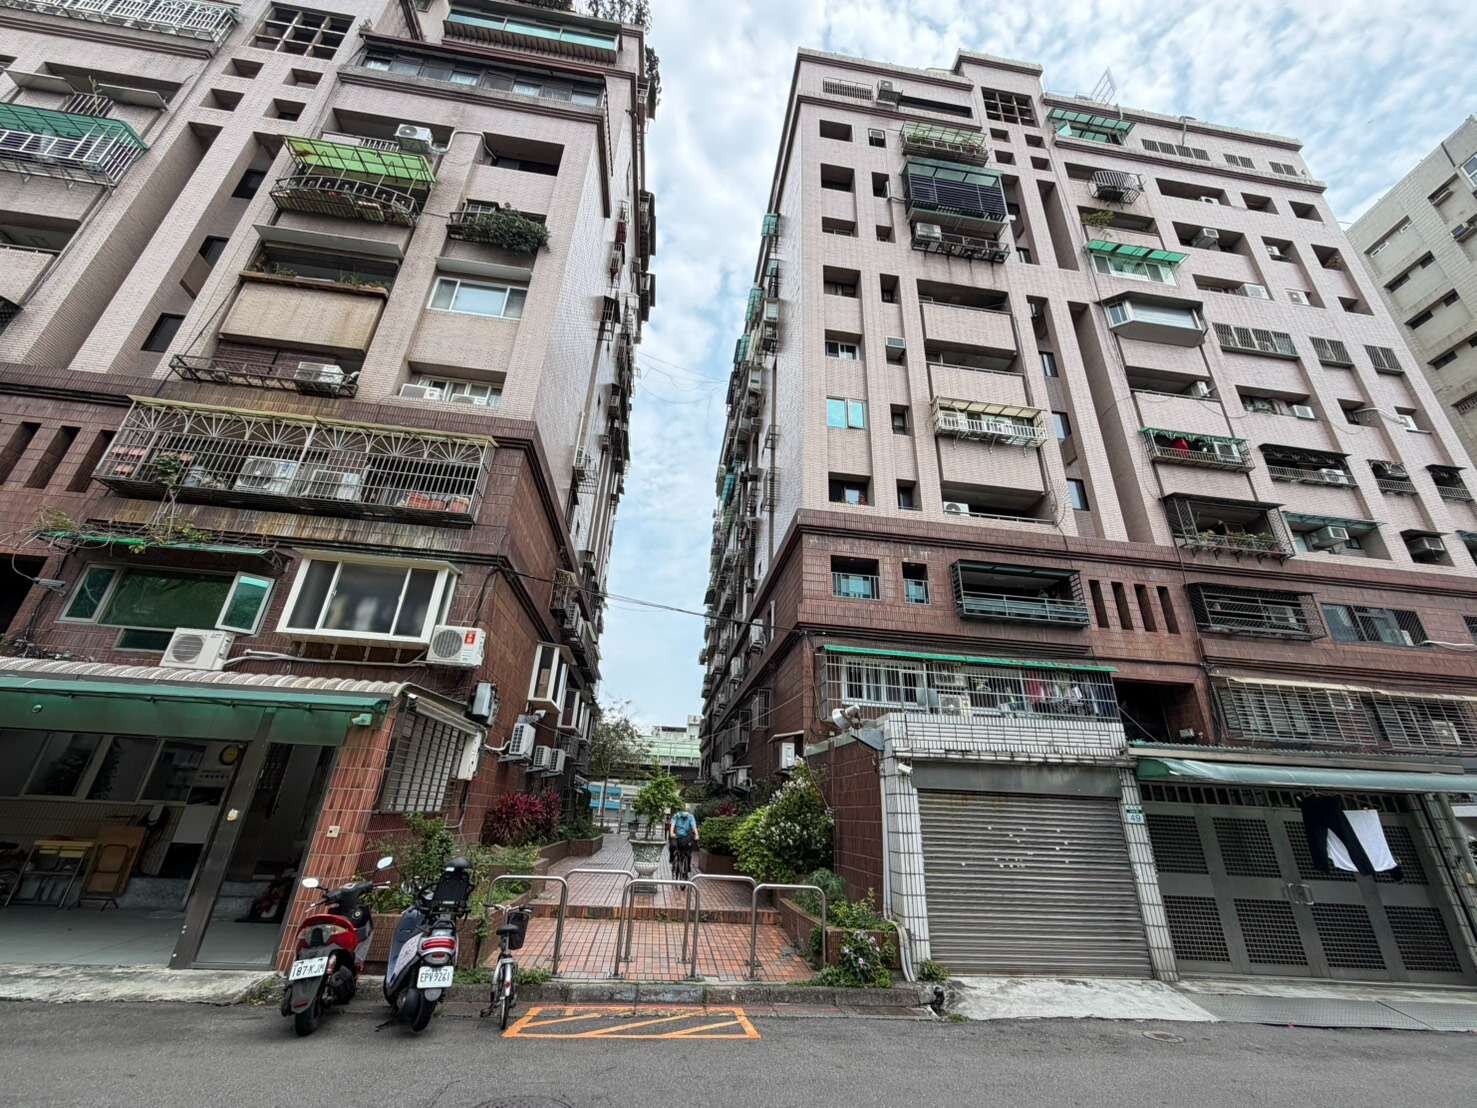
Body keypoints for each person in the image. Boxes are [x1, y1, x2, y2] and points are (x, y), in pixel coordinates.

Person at [667, 807, 699, 877]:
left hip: (686, 837)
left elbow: (694, 827)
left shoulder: (691, 817)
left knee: (688, 854)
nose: (684, 815)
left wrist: (696, 835)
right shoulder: (676, 816)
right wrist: (672, 833)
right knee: (673, 846)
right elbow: (672, 825)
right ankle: (672, 858)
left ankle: (687, 868)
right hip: (676, 836)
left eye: (686, 814)